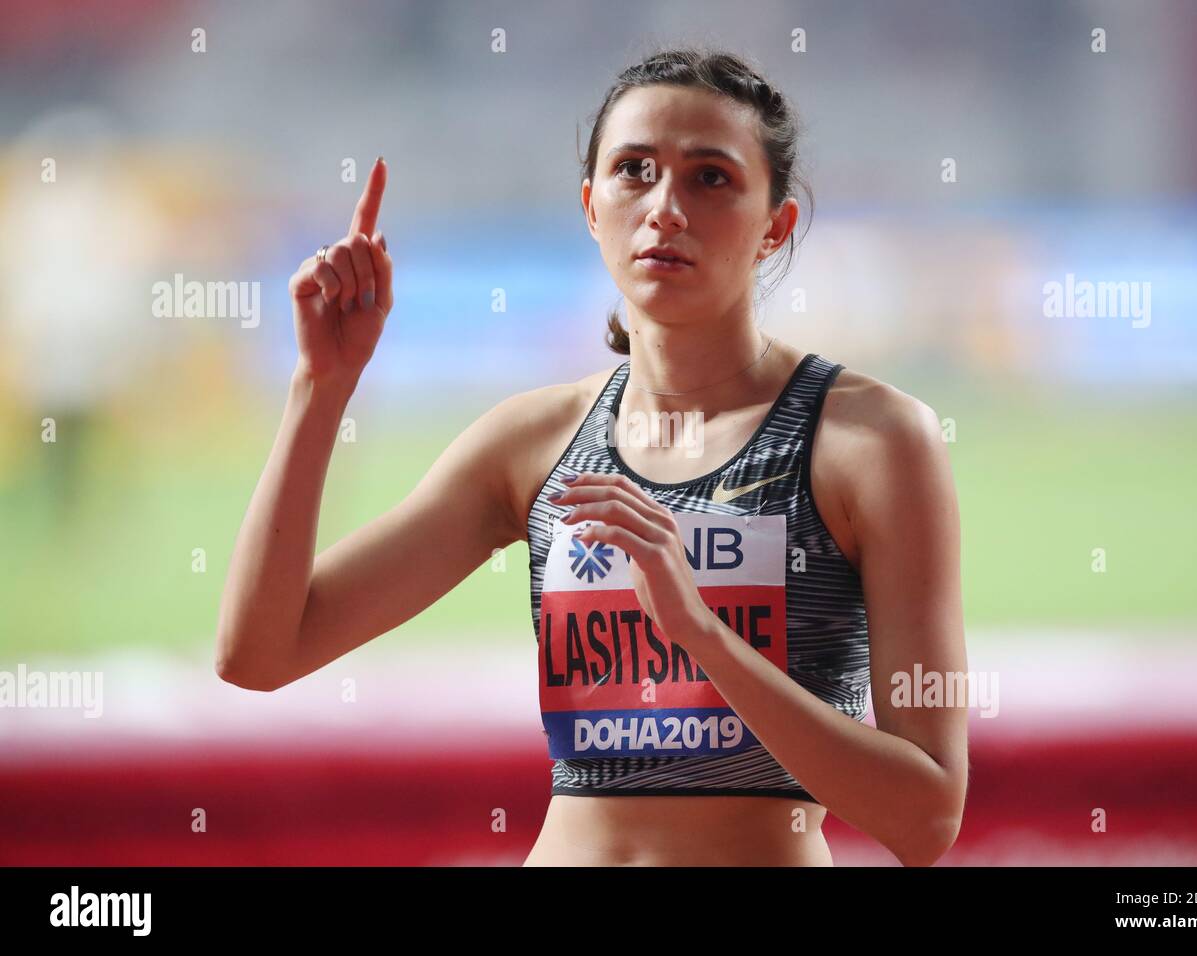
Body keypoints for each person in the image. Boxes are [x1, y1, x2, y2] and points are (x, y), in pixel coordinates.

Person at [216, 47, 968, 867]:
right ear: (590, 206)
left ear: (774, 226)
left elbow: (925, 818)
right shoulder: (533, 444)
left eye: (710, 177)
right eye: (634, 171)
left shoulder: (870, 442)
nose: (665, 208)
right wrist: (320, 388)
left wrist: (703, 637)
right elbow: (260, 653)